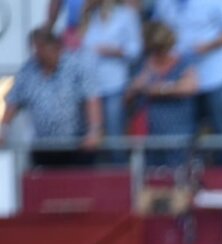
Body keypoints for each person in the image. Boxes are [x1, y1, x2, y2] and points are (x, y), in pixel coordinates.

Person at [153, 0, 222, 164]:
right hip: (180, 75)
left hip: (214, 75)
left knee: (220, 128)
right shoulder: (164, 3)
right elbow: (156, 29)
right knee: (185, 132)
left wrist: (209, 45)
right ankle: (188, 172)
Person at [0, 27, 102, 167]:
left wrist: (94, 130)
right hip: (43, 147)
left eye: (41, 48)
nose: (38, 53)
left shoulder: (76, 67)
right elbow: (13, 102)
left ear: (55, 46)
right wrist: (3, 129)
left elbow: (92, 99)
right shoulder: (28, 71)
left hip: (75, 146)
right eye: (35, 48)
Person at [126, 21, 199, 168]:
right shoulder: (141, 65)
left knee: (179, 183)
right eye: (155, 50)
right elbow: (126, 99)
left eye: (161, 49)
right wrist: (136, 87)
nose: (159, 53)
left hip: (180, 136)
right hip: (150, 137)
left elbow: (191, 87)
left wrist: (159, 89)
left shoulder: (183, 62)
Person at [79, 0, 143, 146]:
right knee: (92, 135)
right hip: (90, 86)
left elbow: (136, 50)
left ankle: (118, 168)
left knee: (115, 134)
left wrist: (117, 51)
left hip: (115, 84)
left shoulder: (126, 15)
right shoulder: (89, 17)